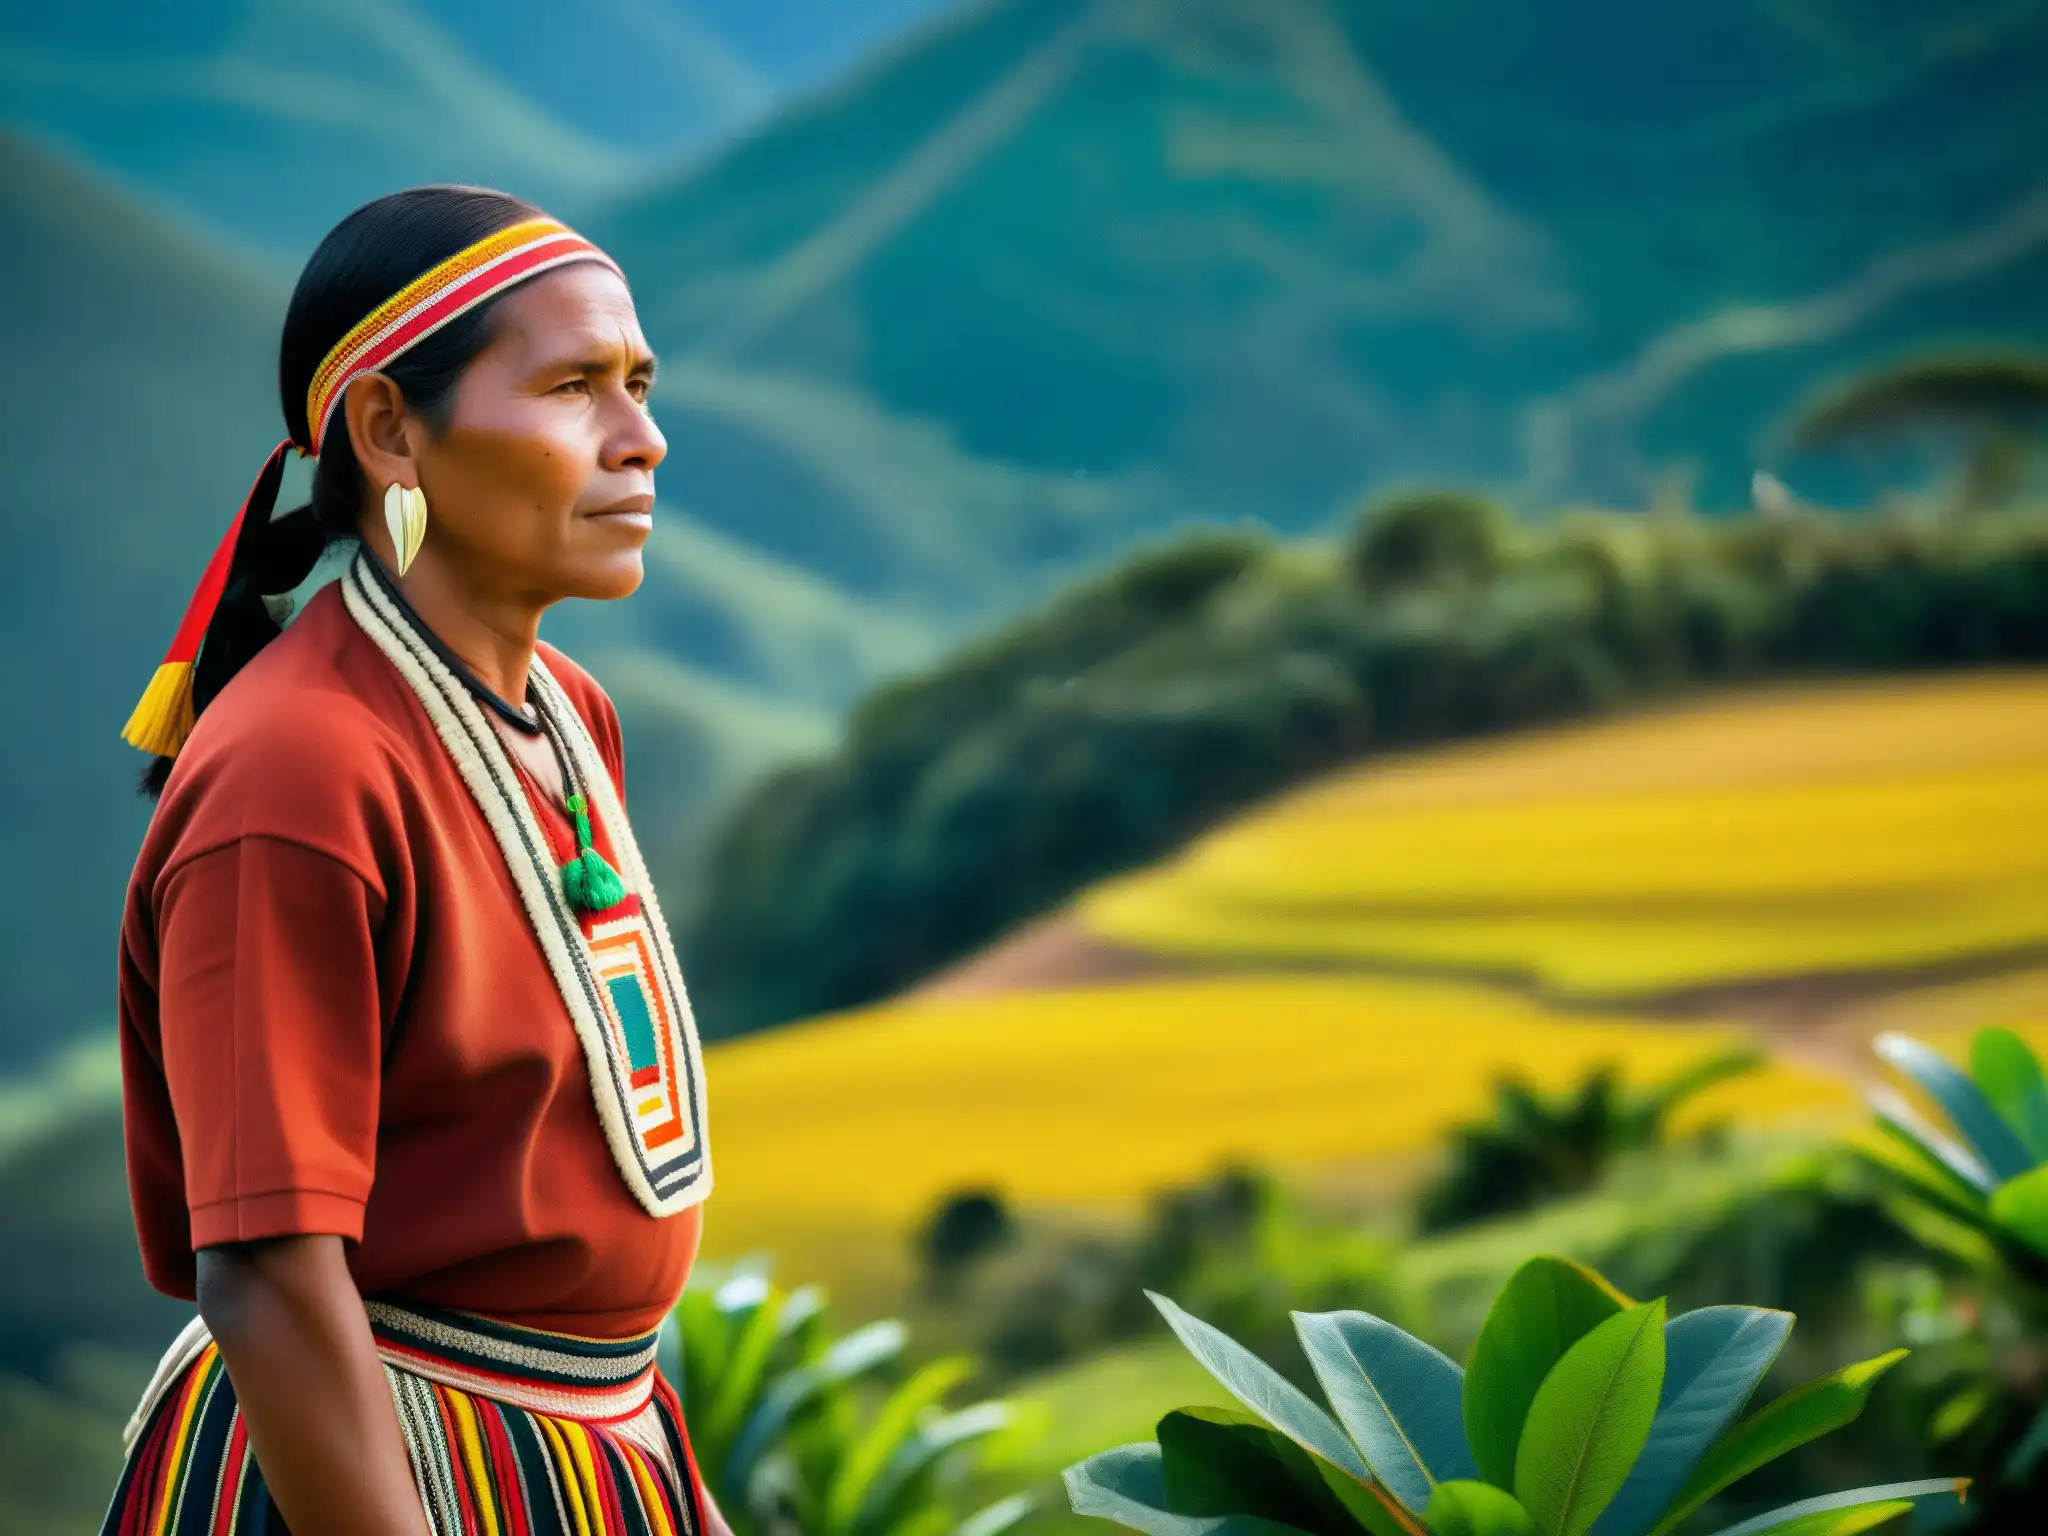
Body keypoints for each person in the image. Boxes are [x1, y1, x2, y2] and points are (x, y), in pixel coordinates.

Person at [103, 186, 729, 1536]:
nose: (644, 441)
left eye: (639, 383)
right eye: (574, 389)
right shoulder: (299, 775)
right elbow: (268, 1272)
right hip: (379, 1466)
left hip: (588, 1453)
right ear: (392, 430)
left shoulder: (566, 711)